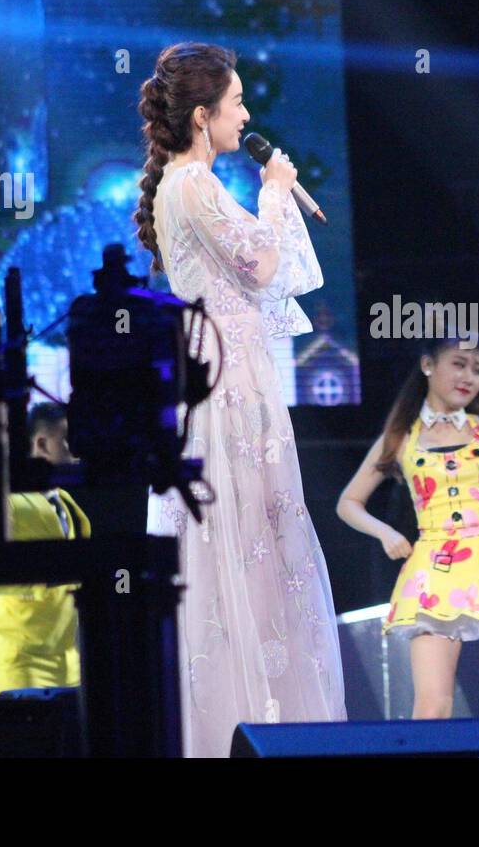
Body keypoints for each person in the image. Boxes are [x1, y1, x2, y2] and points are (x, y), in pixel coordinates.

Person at [133, 41, 345, 757]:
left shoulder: (187, 183)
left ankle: (261, 717)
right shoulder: (192, 183)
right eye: (238, 102)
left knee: (254, 550)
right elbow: (259, 264)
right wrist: (276, 192)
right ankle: (243, 726)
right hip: (226, 389)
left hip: (233, 380)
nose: (247, 115)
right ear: (203, 115)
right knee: (242, 548)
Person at [335, 336, 479, 740]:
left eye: (477, 370)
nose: (469, 377)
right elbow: (349, 502)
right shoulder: (402, 436)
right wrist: (385, 532)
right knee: (432, 706)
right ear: (428, 365)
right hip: (434, 573)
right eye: (459, 364)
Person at [0, 403, 89, 699]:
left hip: (69, 662)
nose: (75, 452)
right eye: (66, 441)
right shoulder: (9, 504)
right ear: (41, 444)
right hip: (21, 663)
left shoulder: (67, 503)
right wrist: (49, 575)